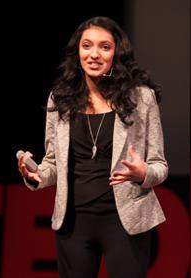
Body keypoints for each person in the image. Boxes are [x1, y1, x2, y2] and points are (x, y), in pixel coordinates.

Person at [17, 16, 167, 278]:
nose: (94, 54)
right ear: (78, 52)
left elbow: (159, 165)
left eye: (104, 47)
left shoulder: (141, 97)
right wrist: (37, 175)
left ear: (116, 53)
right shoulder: (60, 98)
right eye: (87, 46)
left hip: (125, 221)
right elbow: (53, 163)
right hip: (73, 223)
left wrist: (143, 173)